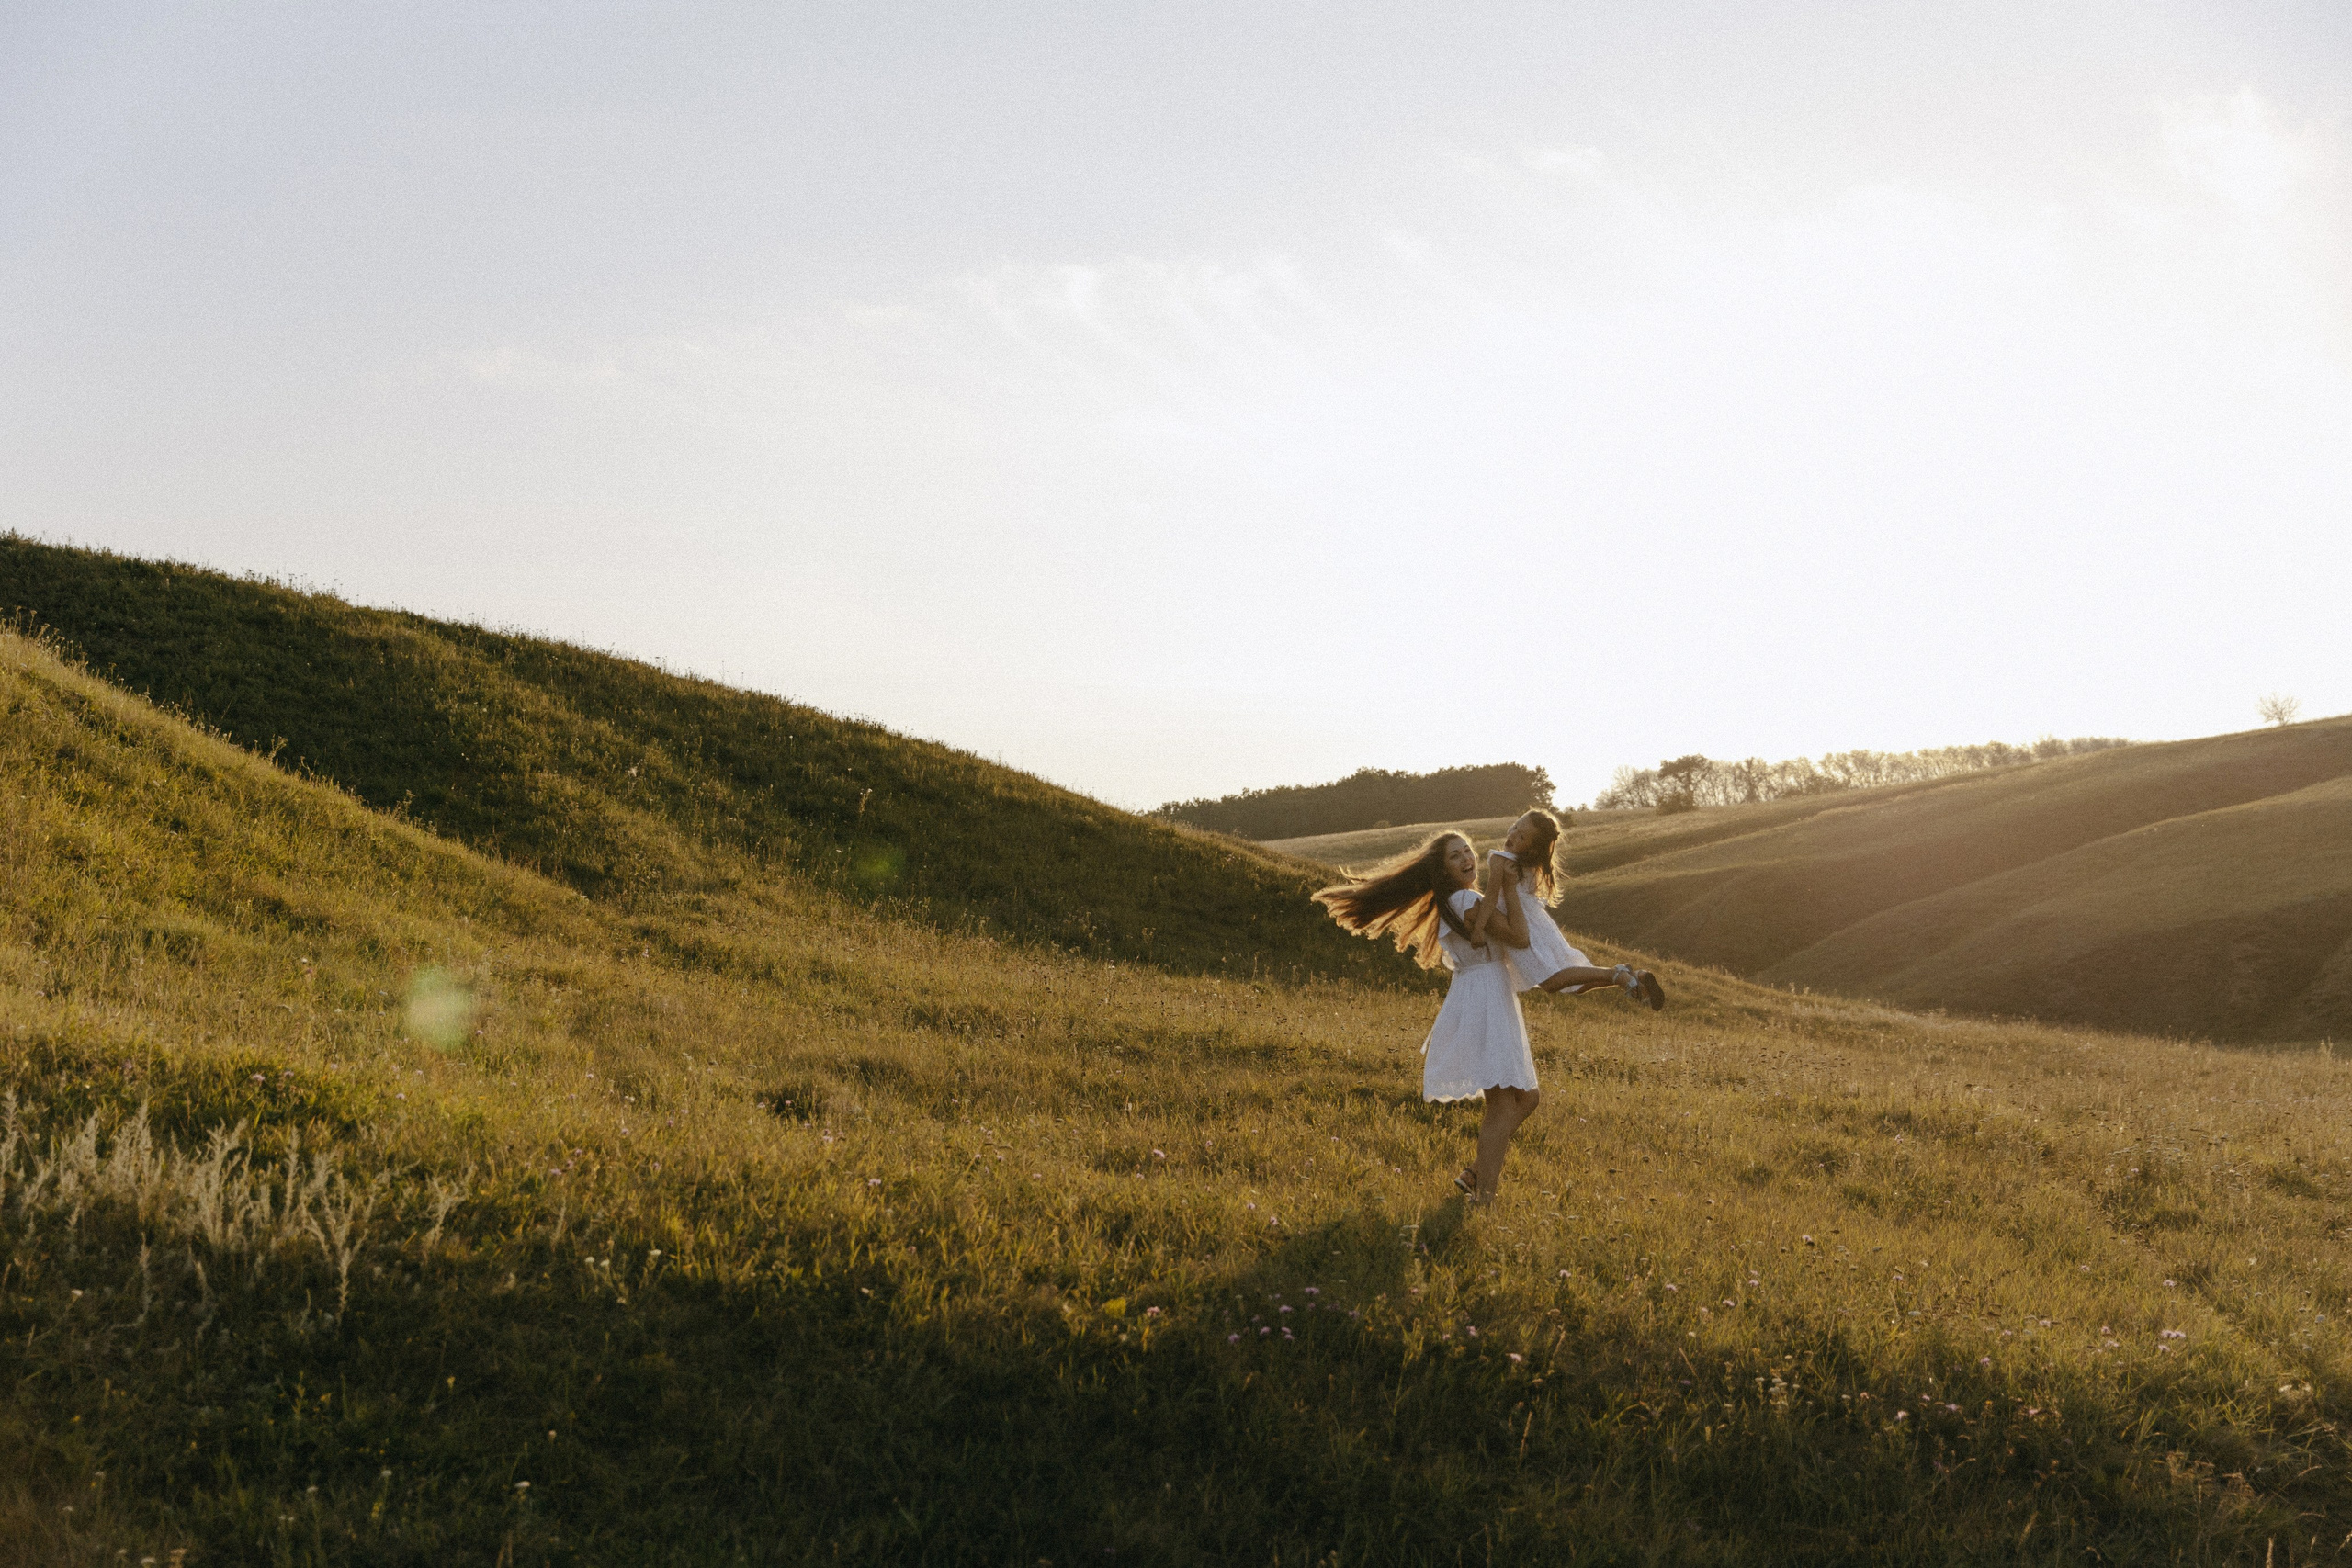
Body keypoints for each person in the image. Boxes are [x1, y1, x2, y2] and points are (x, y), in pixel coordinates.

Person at [1311, 831, 1542, 1203]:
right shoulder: (1465, 900)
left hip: (1483, 995)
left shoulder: (1460, 900)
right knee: (1502, 1104)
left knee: (1527, 1097)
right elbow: (1519, 937)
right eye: (1455, 856)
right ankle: (1484, 1199)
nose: (1467, 858)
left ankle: (1476, 1173)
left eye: (1467, 850)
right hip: (1485, 999)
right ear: (1443, 869)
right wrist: (1507, 887)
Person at [1487, 809, 1666, 1010]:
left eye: (1521, 836)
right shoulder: (1530, 864)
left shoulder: (1500, 859)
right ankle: (1632, 975)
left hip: (1524, 927)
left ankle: (1616, 974)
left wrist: (1478, 927)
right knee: (1575, 985)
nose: (1512, 835)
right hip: (1540, 925)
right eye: (1515, 826)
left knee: (1550, 982)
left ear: (1532, 849)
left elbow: (1491, 897)